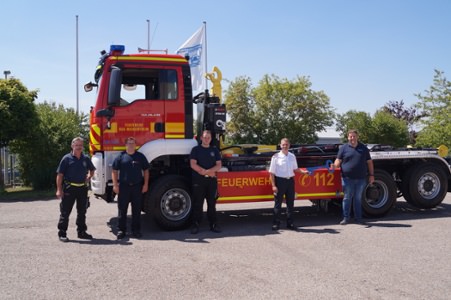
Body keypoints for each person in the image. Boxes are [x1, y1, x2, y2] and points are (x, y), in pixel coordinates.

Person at [56, 137, 96, 242]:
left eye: (80, 145)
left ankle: (81, 232)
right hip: (69, 188)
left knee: (82, 211)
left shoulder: (86, 158)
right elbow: (60, 175)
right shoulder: (66, 159)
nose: (78, 147)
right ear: (72, 146)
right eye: (76, 145)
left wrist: (89, 176)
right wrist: (59, 190)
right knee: (65, 212)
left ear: (82, 147)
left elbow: (92, 170)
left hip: (82, 188)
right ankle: (62, 233)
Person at [333, 129, 375, 225]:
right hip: (347, 178)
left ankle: (358, 219)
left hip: (361, 179)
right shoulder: (343, 148)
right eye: (350, 136)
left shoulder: (363, 148)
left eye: (354, 136)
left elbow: (369, 162)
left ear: (357, 137)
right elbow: (338, 160)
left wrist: (371, 175)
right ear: (348, 137)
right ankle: (346, 218)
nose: (352, 138)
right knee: (347, 198)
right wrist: (334, 166)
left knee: (358, 198)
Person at [269, 138, 310, 231]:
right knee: (278, 204)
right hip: (280, 181)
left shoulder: (292, 156)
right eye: (283, 144)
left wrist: (303, 172)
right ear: (280, 145)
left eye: (286, 144)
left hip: (290, 181)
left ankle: (290, 223)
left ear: (289, 145)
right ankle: (276, 224)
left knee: (290, 204)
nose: (285, 146)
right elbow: (271, 173)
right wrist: (273, 185)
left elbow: (295, 169)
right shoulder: (275, 157)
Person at [112, 137, 150, 239]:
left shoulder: (140, 156)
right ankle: (121, 230)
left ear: (135, 145)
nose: (131, 145)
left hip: (137, 187)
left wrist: (145, 184)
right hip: (124, 187)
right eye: (129, 143)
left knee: (136, 210)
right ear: (126, 145)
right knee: (122, 210)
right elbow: (114, 171)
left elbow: (146, 170)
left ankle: (136, 230)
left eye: (133, 143)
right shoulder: (121, 156)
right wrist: (115, 185)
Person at [189, 130, 222, 234]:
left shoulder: (214, 150)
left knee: (212, 204)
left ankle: (213, 224)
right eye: (205, 137)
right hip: (199, 181)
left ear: (211, 139)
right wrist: (204, 172)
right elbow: (192, 164)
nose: (207, 139)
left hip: (211, 181)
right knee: (198, 204)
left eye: (208, 137)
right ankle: (195, 225)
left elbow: (219, 165)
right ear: (201, 138)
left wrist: (208, 172)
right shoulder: (195, 150)